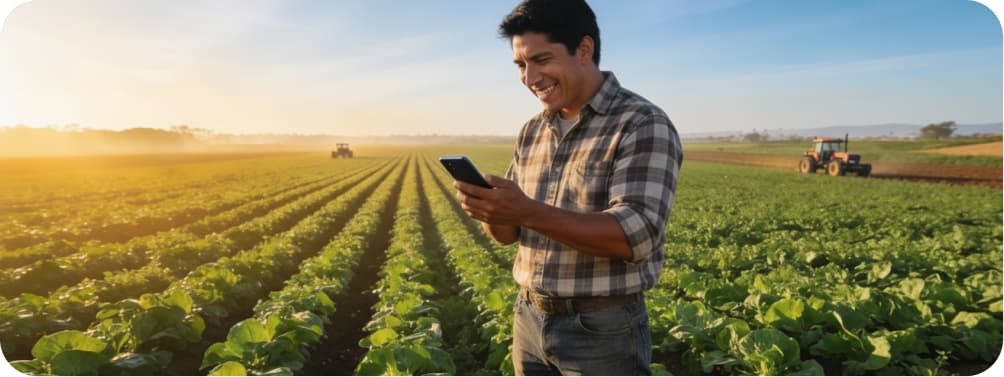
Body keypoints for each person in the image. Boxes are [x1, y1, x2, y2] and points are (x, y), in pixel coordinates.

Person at [451, 0, 683, 375]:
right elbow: (509, 236)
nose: (529, 77)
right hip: (528, 317)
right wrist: (492, 211)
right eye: (521, 66)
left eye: (541, 60)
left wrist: (526, 210)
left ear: (584, 50)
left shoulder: (641, 122)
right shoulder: (532, 130)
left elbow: (635, 235)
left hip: (601, 330)